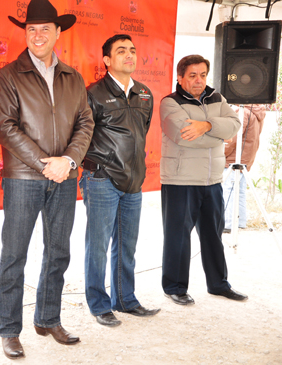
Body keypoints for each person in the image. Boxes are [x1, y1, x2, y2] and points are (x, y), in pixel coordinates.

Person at [0, 0, 94, 359]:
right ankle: (9, 329)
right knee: (14, 254)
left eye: (44, 29)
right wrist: (43, 163)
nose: (37, 35)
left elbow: (85, 122)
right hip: (23, 177)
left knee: (58, 253)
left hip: (64, 176)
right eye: (30, 29)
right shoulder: (8, 74)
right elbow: (5, 128)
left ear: (58, 33)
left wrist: (67, 161)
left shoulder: (73, 76)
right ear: (25, 34)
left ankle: (48, 318)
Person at [80, 34, 160, 328]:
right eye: (121, 51)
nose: (129, 55)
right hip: (101, 178)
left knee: (127, 245)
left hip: (134, 181)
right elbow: (82, 135)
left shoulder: (145, 94)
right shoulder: (93, 94)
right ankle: (99, 304)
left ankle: (126, 300)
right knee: (98, 245)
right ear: (107, 60)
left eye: (133, 50)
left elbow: (142, 132)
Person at [160, 54, 247, 306]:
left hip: (212, 181)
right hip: (180, 181)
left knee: (213, 235)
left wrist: (206, 125)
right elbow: (183, 135)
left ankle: (218, 284)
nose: (199, 81)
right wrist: (219, 135)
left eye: (202, 75)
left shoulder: (218, 98)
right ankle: (175, 287)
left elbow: (234, 124)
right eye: (192, 75)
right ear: (180, 77)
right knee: (178, 237)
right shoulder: (170, 102)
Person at [223, 104, 266, 231]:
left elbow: (233, 137)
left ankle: (228, 223)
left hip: (234, 157)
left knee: (228, 189)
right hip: (246, 157)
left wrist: (222, 152)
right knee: (239, 190)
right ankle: (240, 221)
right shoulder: (258, 112)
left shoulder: (242, 112)